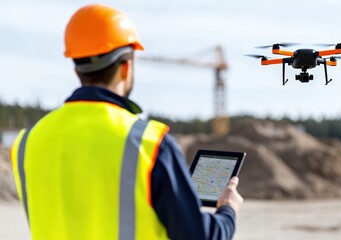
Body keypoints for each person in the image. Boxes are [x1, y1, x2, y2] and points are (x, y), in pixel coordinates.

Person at [10, 3, 243, 240]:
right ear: (126, 66)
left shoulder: (26, 142)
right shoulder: (149, 142)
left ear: (76, 67)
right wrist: (228, 211)